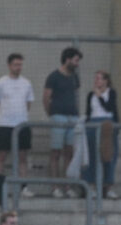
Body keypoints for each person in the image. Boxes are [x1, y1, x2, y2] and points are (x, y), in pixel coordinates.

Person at [42, 47, 82, 197]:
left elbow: (76, 94)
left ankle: (67, 186)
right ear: (67, 59)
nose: (77, 64)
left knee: (69, 152)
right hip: (58, 116)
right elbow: (46, 98)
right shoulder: (54, 76)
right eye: (76, 60)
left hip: (73, 117)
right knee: (56, 152)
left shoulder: (74, 77)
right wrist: (51, 114)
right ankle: (55, 186)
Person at [0, 53, 34, 189]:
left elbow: (28, 103)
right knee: (1, 156)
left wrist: (20, 117)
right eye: (16, 64)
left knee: (22, 157)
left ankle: (24, 187)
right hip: (4, 125)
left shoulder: (26, 83)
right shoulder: (0, 83)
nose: (18, 67)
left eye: (20, 64)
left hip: (22, 125)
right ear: (9, 65)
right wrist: (5, 116)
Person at [83, 70, 119, 199]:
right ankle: (91, 186)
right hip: (93, 124)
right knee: (92, 156)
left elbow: (110, 108)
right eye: (96, 78)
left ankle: (108, 186)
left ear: (105, 81)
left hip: (106, 124)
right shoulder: (90, 95)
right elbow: (88, 112)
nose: (96, 81)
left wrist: (100, 96)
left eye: (99, 79)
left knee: (108, 155)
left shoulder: (111, 93)